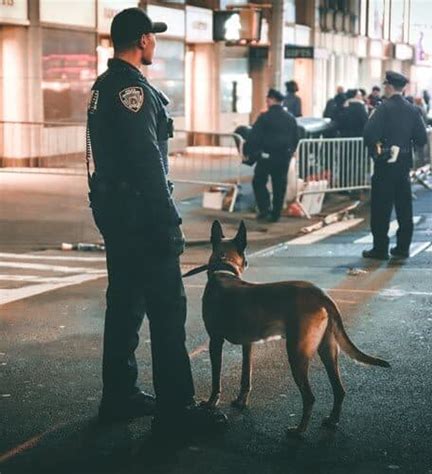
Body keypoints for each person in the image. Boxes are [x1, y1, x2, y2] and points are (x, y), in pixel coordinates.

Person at [86, 7, 227, 441]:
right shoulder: (133, 91)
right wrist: (169, 220)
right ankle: (176, 411)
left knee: (125, 306)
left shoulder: (103, 86)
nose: (155, 43)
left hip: (118, 217)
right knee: (168, 314)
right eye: (153, 37)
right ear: (143, 40)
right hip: (143, 220)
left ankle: (120, 395)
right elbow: (148, 163)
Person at [362, 71, 427, 260]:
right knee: (404, 208)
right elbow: (421, 139)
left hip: (385, 166)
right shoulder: (413, 110)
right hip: (404, 166)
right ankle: (403, 248)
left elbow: (369, 133)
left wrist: (378, 150)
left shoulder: (383, 109)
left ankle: (380, 249)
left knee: (381, 208)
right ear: (403, 88)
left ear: (389, 87)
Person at [247, 88, 299, 222]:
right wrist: (290, 151)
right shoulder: (290, 118)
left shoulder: (264, 117)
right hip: (283, 157)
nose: (266, 102)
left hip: (266, 156)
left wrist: (251, 152)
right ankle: (276, 214)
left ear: (271, 100)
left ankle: (264, 209)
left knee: (258, 181)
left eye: (267, 100)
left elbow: (255, 136)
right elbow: (296, 137)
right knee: (279, 185)